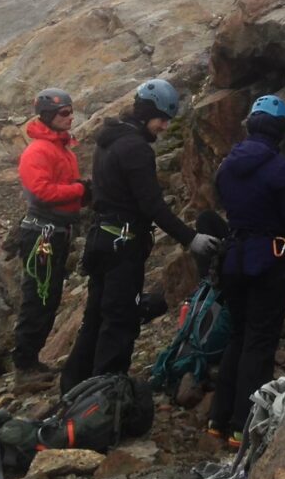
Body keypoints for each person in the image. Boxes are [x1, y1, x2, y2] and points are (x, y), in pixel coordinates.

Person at [61, 78, 224, 393]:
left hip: (100, 240)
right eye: (162, 119)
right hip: (123, 245)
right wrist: (191, 239)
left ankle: (73, 389)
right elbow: (152, 206)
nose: (164, 127)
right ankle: (105, 395)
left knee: (94, 318)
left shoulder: (108, 141)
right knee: (120, 320)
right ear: (149, 112)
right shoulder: (136, 149)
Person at [208, 95, 285, 447]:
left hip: (233, 257)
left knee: (237, 335)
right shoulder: (279, 168)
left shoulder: (227, 165)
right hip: (268, 259)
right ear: (280, 131)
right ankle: (244, 425)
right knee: (259, 341)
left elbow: (223, 200)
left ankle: (217, 419)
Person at [13, 87, 88, 387]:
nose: (70, 118)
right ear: (47, 116)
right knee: (39, 297)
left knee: (48, 295)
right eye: (64, 113)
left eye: (71, 111)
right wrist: (81, 191)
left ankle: (31, 361)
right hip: (42, 232)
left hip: (54, 231)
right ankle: (24, 366)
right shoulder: (39, 151)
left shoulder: (59, 149)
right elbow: (42, 191)